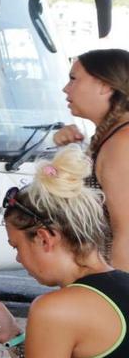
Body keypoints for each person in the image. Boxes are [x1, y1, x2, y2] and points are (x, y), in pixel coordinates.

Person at [0, 145, 129, 358]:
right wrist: (12, 335)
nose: (19, 259)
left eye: (16, 246)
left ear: (44, 238)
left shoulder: (56, 310)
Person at [55, 49, 129, 270]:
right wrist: (69, 150)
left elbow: (126, 234)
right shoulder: (113, 137)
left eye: (73, 79)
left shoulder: (122, 143)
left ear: (105, 86)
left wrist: (117, 297)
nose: (65, 88)